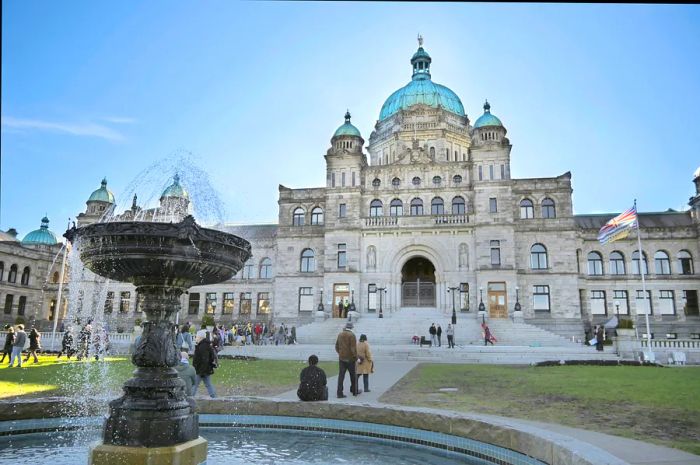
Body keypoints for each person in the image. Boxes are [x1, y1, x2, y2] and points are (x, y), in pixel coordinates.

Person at [335, 321, 360, 398]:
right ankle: (354, 390)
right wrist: (356, 357)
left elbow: (336, 346)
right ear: (351, 327)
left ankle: (339, 393)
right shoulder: (352, 335)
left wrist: (340, 353)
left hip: (342, 358)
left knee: (341, 376)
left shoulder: (340, 334)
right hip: (350, 359)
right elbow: (353, 348)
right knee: (353, 375)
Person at [192, 333, 218, 398]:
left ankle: (190, 397)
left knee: (195, 384)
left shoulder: (203, 346)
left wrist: (202, 371)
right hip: (204, 369)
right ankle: (214, 397)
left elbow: (205, 359)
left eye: (196, 337)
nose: (196, 338)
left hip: (201, 369)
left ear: (200, 338)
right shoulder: (205, 345)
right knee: (208, 384)